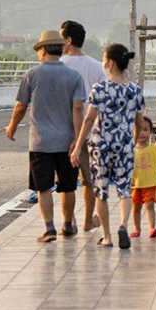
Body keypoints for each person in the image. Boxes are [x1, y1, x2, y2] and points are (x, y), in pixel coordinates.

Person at [5, 29, 87, 243]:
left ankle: (49, 228)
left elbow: (21, 105)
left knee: (43, 188)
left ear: (42, 51)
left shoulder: (31, 75)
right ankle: (68, 225)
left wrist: (12, 126)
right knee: (68, 187)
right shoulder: (74, 76)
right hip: (67, 143)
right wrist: (77, 140)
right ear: (60, 50)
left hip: (40, 143)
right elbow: (78, 108)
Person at [70, 43, 145, 249]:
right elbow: (139, 123)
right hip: (124, 145)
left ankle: (108, 236)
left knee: (100, 191)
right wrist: (134, 142)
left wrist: (77, 147)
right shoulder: (135, 90)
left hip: (100, 146)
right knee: (125, 191)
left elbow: (88, 119)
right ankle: (123, 224)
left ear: (110, 63)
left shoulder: (100, 88)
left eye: (104, 59)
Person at [59, 21, 104, 234]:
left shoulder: (58, 65)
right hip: (90, 130)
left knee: (66, 181)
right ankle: (87, 221)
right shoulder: (97, 66)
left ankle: (69, 221)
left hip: (63, 130)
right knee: (89, 180)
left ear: (68, 40)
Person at [131, 113, 156, 239]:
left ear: (150, 132)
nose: (142, 133)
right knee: (136, 207)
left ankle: (152, 228)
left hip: (150, 182)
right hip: (135, 184)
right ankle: (137, 229)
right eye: (138, 129)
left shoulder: (154, 148)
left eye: (145, 130)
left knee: (149, 205)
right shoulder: (130, 150)